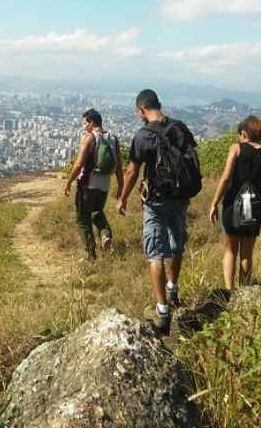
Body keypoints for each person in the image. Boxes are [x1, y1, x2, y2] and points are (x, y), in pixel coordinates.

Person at [117, 89, 200, 336]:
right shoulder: (180, 127)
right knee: (176, 245)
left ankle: (163, 312)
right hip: (181, 198)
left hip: (155, 201)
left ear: (141, 110)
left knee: (155, 252)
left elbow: (132, 171)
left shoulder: (143, 136)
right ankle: (173, 288)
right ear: (159, 105)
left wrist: (122, 198)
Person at [208, 116, 261, 290]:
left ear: (244, 133)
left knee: (230, 252)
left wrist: (214, 203)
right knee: (247, 254)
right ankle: (244, 292)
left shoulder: (236, 148)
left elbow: (226, 177)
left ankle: (229, 292)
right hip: (255, 210)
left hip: (232, 207)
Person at [65, 108, 123, 260]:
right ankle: (105, 235)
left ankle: (91, 255)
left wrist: (69, 182)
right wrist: (121, 187)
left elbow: (78, 165)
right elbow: (119, 168)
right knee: (97, 211)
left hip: (87, 184)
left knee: (82, 218)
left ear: (91, 122)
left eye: (84, 123)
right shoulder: (113, 139)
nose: (83, 126)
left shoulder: (89, 137)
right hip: (104, 185)